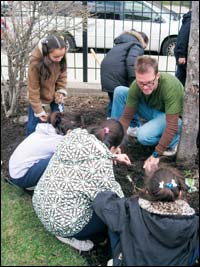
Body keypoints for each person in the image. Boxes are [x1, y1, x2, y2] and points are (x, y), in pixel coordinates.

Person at [32, 119, 131, 252]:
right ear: (114, 148)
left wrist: (111, 156)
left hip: (41, 204)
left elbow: (91, 155)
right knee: (106, 213)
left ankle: (64, 230)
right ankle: (69, 236)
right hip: (61, 223)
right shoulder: (100, 165)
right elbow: (114, 199)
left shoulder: (75, 137)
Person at [93, 167, 199, 266]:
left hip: (131, 261)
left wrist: (111, 192)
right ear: (180, 194)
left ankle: (118, 260)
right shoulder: (193, 222)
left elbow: (101, 203)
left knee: (116, 217)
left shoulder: (131, 208)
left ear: (147, 191)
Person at [111, 55, 184, 173]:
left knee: (143, 136)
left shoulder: (170, 86)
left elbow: (172, 125)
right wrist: (115, 143)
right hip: (154, 111)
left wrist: (156, 154)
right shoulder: (137, 85)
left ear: (157, 76)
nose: (145, 87)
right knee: (120, 91)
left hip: (174, 119)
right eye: (141, 83)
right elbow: (126, 117)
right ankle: (112, 134)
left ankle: (174, 141)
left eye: (149, 83)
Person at [9, 112, 76, 190]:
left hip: (15, 171)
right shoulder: (57, 140)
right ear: (69, 132)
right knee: (60, 158)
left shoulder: (45, 130)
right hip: (20, 177)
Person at [101, 29, 149, 130]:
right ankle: (133, 126)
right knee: (130, 100)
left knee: (114, 99)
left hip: (107, 75)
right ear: (143, 41)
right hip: (118, 76)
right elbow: (132, 62)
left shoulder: (122, 44)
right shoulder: (136, 45)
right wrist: (134, 81)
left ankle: (110, 122)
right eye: (145, 46)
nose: (144, 49)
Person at [26, 34, 68, 136]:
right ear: (46, 53)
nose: (59, 59)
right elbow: (33, 89)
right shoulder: (35, 63)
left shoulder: (60, 56)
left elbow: (62, 75)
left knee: (59, 119)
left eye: (62, 56)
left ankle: (57, 140)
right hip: (37, 97)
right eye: (56, 57)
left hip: (54, 93)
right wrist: (39, 111)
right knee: (34, 124)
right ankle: (31, 143)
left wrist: (60, 91)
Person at [174, 11, 192, 86]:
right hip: (184, 55)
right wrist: (181, 55)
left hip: (186, 54)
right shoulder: (191, 20)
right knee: (180, 79)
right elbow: (183, 37)